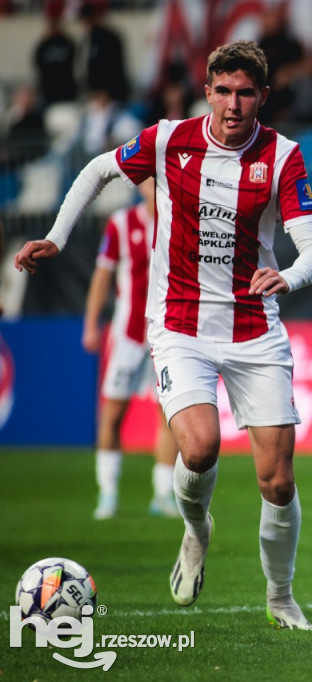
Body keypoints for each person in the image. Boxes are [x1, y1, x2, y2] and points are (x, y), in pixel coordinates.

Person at [14, 41, 312, 631]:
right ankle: (196, 528)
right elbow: (97, 169)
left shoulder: (282, 157)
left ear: (262, 96)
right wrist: (57, 236)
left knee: (278, 480)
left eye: (246, 93)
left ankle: (281, 596)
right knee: (200, 447)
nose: (233, 105)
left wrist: (287, 274)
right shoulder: (167, 138)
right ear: (207, 90)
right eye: (223, 91)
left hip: (255, 329)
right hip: (180, 324)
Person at [82, 178, 179, 520]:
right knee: (113, 414)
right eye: (151, 181)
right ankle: (107, 494)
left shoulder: (179, 221)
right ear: (140, 186)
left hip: (168, 335)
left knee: (168, 415)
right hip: (127, 335)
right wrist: (91, 324)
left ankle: (163, 495)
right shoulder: (121, 224)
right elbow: (102, 276)